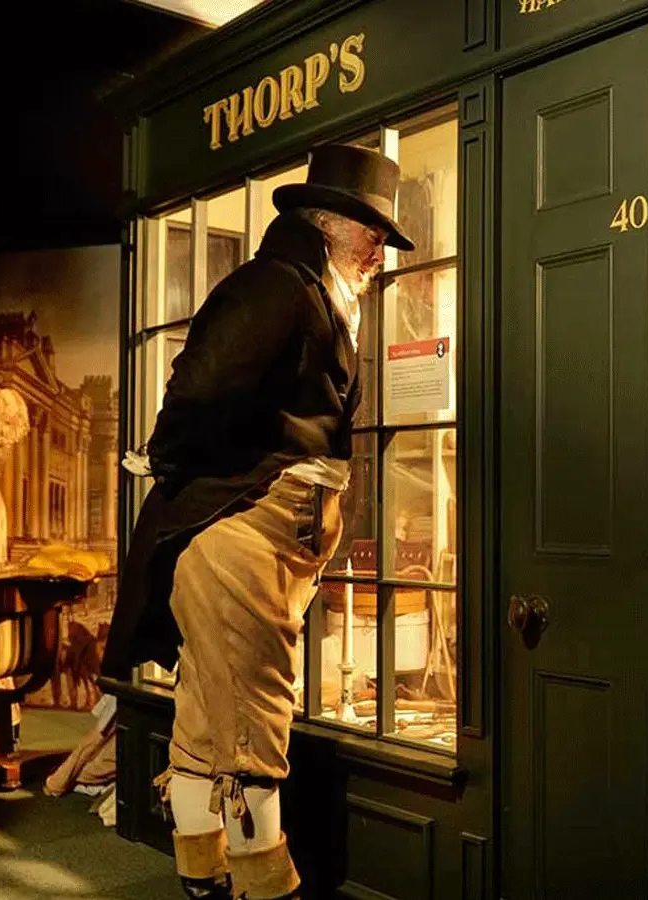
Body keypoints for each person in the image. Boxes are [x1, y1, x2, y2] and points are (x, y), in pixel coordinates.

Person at [101, 143, 414, 900]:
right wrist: (188, 472)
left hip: (268, 532)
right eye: (370, 231)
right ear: (330, 222)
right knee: (255, 718)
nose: (378, 250)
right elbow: (199, 386)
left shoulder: (314, 289)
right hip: (240, 529)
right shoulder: (276, 285)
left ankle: (202, 877)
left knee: (211, 712)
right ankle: (264, 886)